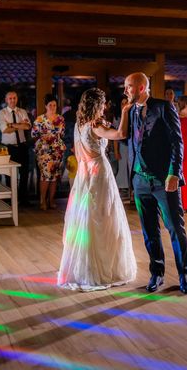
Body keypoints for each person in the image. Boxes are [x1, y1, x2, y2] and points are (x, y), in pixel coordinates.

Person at [57, 89, 136, 291]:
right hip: (99, 172)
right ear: (97, 105)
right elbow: (121, 134)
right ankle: (100, 267)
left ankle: (83, 266)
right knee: (103, 217)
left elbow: (77, 150)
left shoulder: (80, 125)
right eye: (103, 104)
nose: (105, 107)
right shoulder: (96, 126)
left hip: (85, 172)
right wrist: (125, 111)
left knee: (87, 218)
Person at [125, 72, 187, 294]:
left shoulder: (164, 107)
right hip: (139, 180)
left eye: (129, 87)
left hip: (164, 181)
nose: (126, 91)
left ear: (142, 87)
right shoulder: (130, 111)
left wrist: (174, 173)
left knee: (174, 228)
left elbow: (177, 142)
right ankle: (157, 273)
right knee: (149, 231)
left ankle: (184, 275)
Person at [31, 94, 66, 210]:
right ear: (45, 106)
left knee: (55, 176)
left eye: (54, 105)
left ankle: (51, 200)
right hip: (44, 151)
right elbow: (33, 135)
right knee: (45, 175)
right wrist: (44, 139)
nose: (52, 107)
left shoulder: (60, 119)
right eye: (50, 105)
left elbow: (62, 134)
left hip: (57, 150)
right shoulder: (40, 119)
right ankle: (42, 201)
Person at [0, 91, 31, 206]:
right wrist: (18, 125)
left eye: (14, 98)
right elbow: (4, 130)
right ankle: (11, 200)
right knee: (9, 175)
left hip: (22, 146)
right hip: (9, 148)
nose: (12, 100)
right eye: (10, 98)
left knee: (24, 174)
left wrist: (11, 124)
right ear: (6, 100)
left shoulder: (22, 112)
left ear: (17, 99)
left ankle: (24, 200)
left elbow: (27, 126)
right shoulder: (2, 113)